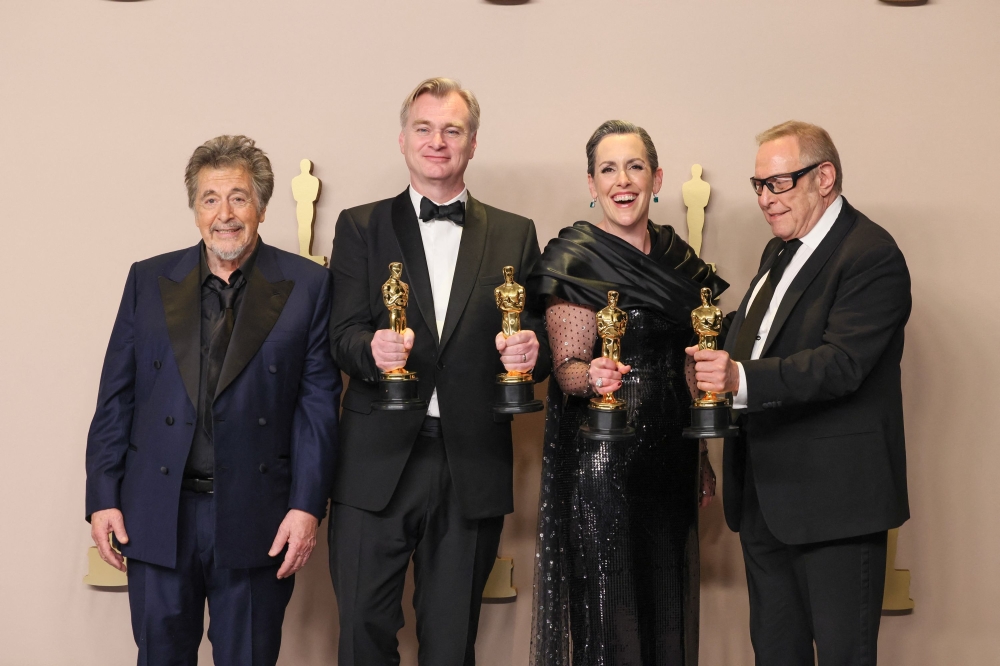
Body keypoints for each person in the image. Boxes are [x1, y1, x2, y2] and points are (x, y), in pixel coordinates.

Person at [85, 135, 341, 665]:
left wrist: (306, 506)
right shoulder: (149, 280)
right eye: (209, 199)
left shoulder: (308, 285)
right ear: (195, 209)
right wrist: (103, 495)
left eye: (239, 198)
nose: (224, 214)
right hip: (157, 512)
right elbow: (116, 397)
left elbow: (317, 407)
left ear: (262, 207)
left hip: (258, 515)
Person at [327, 77, 552, 666]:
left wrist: (533, 354)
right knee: (361, 638)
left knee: (451, 645)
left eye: (452, 130)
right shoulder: (359, 226)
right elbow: (339, 337)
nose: (437, 142)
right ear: (403, 140)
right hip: (374, 464)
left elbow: (538, 345)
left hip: (470, 463)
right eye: (424, 129)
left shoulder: (514, 232)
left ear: (472, 144)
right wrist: (370, 351)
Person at [688, 120, 911, 666]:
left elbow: (843, 364)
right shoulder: (778, 251)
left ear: (825, 177)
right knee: (775, 654)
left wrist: (740, 379)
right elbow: (754, 337)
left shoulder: (871, 253)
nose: (766, 198)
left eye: (779, 183)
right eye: (759, 185)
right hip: (766, 499)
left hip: (836, 505)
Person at [527, 120, 726, 666]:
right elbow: (566, 367)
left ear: (656, 177)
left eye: (635, 166)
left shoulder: (681, 262)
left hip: (672, 463)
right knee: (611, 620)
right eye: (608, 169)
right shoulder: (575, 257)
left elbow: (692, 364)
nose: (623, 180)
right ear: (592, 185)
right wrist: (590, 377)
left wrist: (704, 457)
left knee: (668, 613)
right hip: (601, 462)